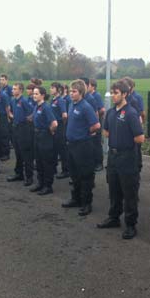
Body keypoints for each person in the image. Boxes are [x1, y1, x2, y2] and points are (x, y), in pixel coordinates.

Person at [97, 80, 145, 239]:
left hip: (127, 157)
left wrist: (124, 141)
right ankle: (114, 217)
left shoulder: (131, 113)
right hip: (113, 156)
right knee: (114, 188)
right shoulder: (110, 112)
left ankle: (131, 224)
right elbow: (105, 132)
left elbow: (140, 138)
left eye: (116, 93)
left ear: (124, 94)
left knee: (129, 191)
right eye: (112, 92)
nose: (113, 96)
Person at [61, 79, 100, 216]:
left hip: (83, 146)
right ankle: (75, 199)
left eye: (74, 91)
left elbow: (96, 125)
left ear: (81, 92)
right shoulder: (71, 104)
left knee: (85, 175)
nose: (71, 94)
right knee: (74, 174)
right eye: (70, 91)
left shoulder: (85, 106)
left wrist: (84, 133)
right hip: (71, 145)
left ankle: (86, 203)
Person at [30, 86, 58, 195]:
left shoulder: (46, 107)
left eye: (36, 94)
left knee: (46, 162)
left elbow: (54, 123)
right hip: (37, 135)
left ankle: (48, 186)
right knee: (39, 161)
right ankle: (40, 183)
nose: (34, 96)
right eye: (34, 94)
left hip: (44, 135)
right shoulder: (37, 106)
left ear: (42, 95)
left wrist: (49, 131)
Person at [6, 83, 34, 186]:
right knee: (17, 152)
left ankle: (29, 177)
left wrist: (26, 120)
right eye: (12, 89)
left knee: (26, 154)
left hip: (24, 129)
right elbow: (11, 111)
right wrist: (12, 116)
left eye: (14, 89)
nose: (12, 90)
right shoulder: (13, 100)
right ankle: (19, 174)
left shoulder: (24, 101)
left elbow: (32, 113)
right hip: (15, 128)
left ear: (20, 90)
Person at [50, 82, 69, 179]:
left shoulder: (60, 100)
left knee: (62, 149)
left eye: (53, 88)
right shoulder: (52, 100)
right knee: (54, 148)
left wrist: (62, 125)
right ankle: (53, 168)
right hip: (54, 126)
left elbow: (65, 115)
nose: (51, 89)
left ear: (58, 90)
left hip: (60, 126)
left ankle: (65, 170)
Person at [88, 78, 106, 172]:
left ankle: (99, 163)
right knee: (91, 143)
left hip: (96, 122)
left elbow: (102, 110)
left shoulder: (96, 95)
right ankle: (93, 161)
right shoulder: (87, 96)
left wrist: (97, 118)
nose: (87, 87)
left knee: (97, 143)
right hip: (90, 123)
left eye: (89, 85)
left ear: (93, 87)